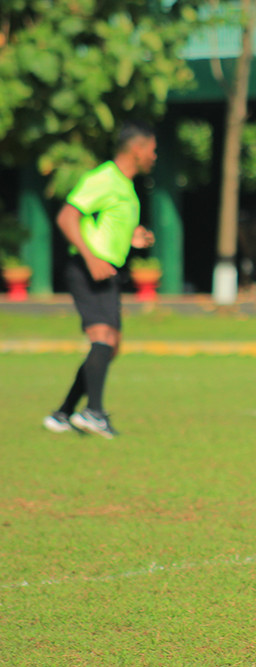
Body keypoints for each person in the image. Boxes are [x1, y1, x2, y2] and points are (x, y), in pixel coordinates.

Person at [42, 122, 158, 438]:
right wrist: (91, 258)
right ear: (137, 149)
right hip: (87, 267)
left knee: (110, 345)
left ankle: (64, 413)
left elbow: (107, 225)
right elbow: (67, 217)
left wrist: (132, 236)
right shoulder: (104, 178)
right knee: (102, 337)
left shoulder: (126, 187)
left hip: (108, 271)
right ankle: (93, 412)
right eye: (152, 149)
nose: (154, 156)